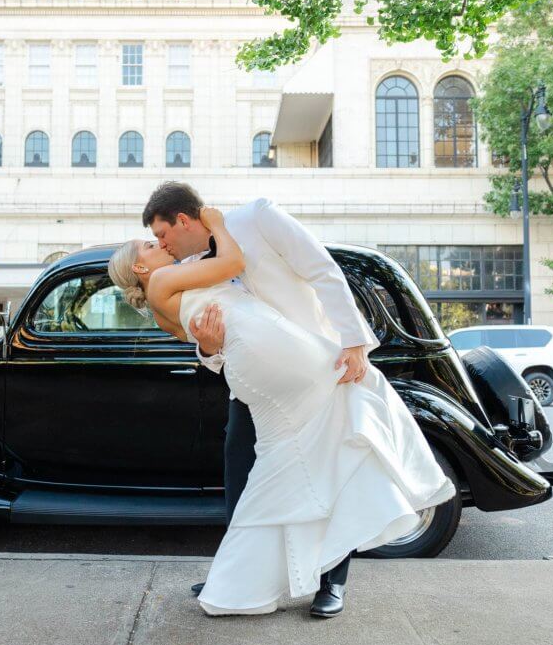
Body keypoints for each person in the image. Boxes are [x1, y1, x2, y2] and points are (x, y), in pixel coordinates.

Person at [108, 183, 455, 617]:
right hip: (257, 385)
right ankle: (242, 575)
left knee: (333, 464)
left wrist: (353, 343)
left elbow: (323, 270)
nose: (164, 245)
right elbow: (205, 330)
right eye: (155, 243)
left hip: (313, 358)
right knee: (243, 477)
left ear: (182, 220)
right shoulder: (188, 265)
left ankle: (332, 581)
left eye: (163, 236)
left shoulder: (256, 217)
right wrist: (209, 347)